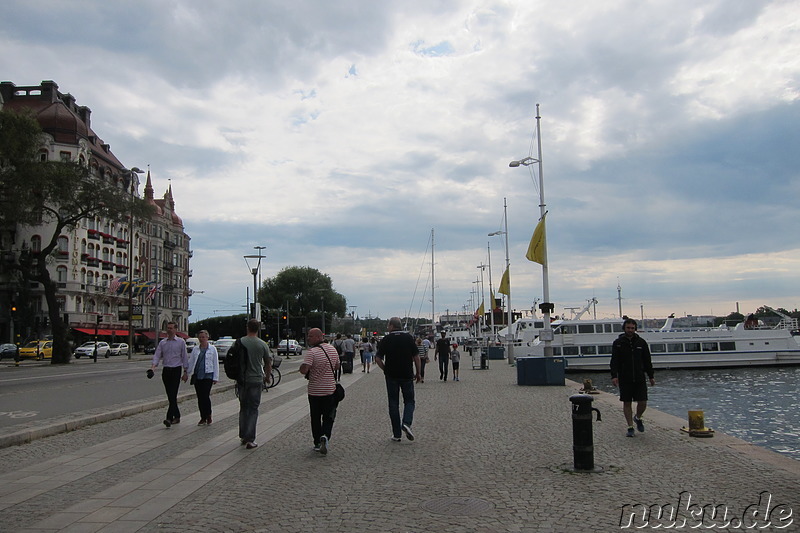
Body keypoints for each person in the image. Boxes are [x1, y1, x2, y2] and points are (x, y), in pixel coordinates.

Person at [375, 317, 421, 442]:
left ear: (391, 326)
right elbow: (416, 357)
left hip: (391, 375)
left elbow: (378, 358)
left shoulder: (386, 339)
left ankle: (396, 434)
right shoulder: (408, 338)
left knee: (393, 403)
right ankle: (406, 422)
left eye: (388, 325)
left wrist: (385, 369)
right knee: (409, 401)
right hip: (407, 374)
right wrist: (418, 373)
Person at [610, 318, 656, 437]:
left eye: (632, 328)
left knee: (643, 402)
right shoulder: (618, 343)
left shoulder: (641, 343)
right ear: (624, 329)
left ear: (635, 329)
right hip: (625, 377)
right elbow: (614, 360)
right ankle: (630, 427)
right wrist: (614, 376)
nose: (630, 330)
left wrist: (651, 376)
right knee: (627, 403)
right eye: (628, 328)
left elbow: (647, 360)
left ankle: (638, 417)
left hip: (639, 377)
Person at [299, 328, 340, 455]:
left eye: (310, 336)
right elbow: (337, 366)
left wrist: (303, 367)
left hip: (315, 391)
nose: (308, 338)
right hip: (329, 390)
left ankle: (317, 442)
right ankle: (325, 436)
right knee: (329, 416)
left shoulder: (312, 352)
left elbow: (304, 370)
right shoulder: (332, 349)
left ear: (318, 337)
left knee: (315, 417)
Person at [238, 319, 272, 449]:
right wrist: (267, 377)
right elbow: (268, 362)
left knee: (243, 407)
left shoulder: (240, 342)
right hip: (256, 379)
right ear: (258, 329)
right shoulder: (262, 344)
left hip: (242, 379)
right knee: (253, 409)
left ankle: (242, 434)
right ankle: (250, 438)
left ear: (247, 328)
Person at [150, 321, 188, 428]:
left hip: (176, 370)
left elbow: (184, 357)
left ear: (176, 329)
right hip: (166, 370)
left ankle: (169, 418)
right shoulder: (163, 342)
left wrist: (185, 371)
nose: (169, 330)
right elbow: (157, 356)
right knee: (170, 395)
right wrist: (153, 367)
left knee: (173, 394)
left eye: (171, 328)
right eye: (168, 328)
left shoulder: (181, 342)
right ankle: (177, 415)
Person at [186, 330, 219, 425]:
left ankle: (208, 414)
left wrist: (215, 377)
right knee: (200, 397)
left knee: (205, 396)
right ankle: (202, 417)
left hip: (208, 375)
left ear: (207, 338)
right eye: (200, 337)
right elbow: (191, 362)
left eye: (203, 337)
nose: (201, 339)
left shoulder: (212, 349)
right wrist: (187, 373)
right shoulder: (196, 349)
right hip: (198, 376)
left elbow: (215, 363)